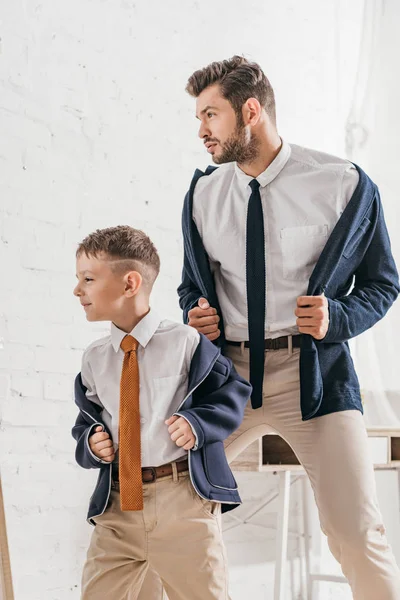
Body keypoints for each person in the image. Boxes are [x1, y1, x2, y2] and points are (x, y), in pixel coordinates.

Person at [176, 55, 400, 599]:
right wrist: (195, 312)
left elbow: (382, 284)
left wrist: (337, 316)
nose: (202, 130)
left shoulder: (342, 184)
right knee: (170, 506)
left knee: (354, 531)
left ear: (250, 111)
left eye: (211, 115)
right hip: (226, 380)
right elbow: (191, 285)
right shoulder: (204, 195)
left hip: (314, 378)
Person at [71, 225, 251, 600]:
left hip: (182, 502)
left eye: (88, 279)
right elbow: (86, 422)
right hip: (118, 508)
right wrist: (92, 443)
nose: (78, 290)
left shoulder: (186, 342)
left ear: (130, 283)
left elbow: (233, 392)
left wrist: (198, 423)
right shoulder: (94, 359)